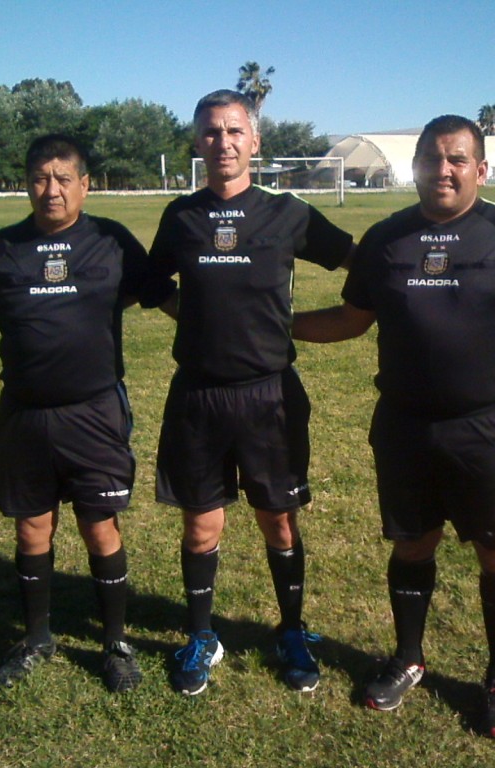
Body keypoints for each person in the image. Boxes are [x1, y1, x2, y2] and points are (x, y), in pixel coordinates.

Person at [292, 114, 495, 738]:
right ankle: (408, 657)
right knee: (411, 544)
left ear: (481, 169)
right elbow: (351, 320)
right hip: (405, 428)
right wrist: (276, 326)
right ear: (416, 166)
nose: (443, 170)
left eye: (457, 159)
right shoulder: (386, 239)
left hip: (490, 430)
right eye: (432, 158)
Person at [0, 134, 173, 692]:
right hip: (24, 416)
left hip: (95, 413)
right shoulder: (3, 248)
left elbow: (161, 295)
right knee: (32, 528)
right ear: (27, 185)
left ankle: (115, 642)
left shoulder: (111, 241)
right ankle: (37, 637)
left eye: (63, 178)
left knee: (99, 527)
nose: (51, 190)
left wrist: (223, 328)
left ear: (85, 185)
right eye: (40, 178)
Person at [138, 90, 354, 695]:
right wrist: (194, 319)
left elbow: (356, 262)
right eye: (211, 132)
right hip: (199, 396)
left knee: (278, 522)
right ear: (197, 142)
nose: (223, 142)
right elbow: (152, 286)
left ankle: (292, 630)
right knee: (200, 528)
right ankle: (201, 636)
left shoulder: (287, 213)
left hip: (269, 395)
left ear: (254, 142)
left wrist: (300, 324)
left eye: (235, 131)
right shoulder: (180, 216)